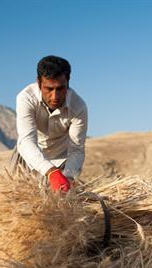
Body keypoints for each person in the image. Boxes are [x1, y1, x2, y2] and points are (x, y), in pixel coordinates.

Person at [12, 55, 88, 192]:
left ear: (68, 81)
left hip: (62, 160)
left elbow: (77, 149)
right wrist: (50, 171)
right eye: (49, 89)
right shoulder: (25, 98)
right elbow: (26, 140)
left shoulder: (79, 107)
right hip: (28, 156)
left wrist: (68, 177)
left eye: (60, 89)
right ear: (38, 82)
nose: (55, 96)